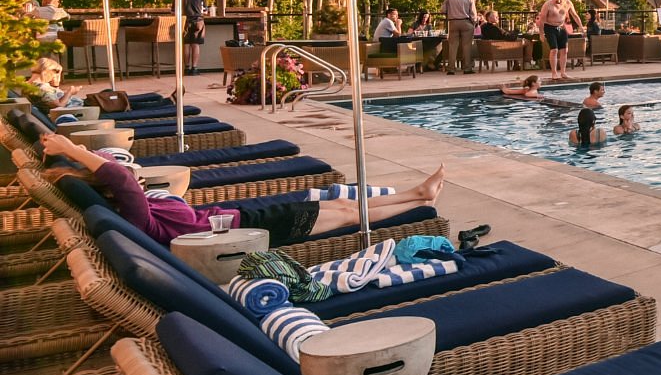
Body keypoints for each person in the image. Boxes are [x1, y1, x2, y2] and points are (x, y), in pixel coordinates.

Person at [39, 132, 446, 247]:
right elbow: (122, 179)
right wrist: (71, 149)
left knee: (341, 201)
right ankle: (417, 199)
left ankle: (415, 194)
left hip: (238, 222)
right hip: (242, 234)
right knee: (344, 213)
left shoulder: (140, 212)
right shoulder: (136, 218)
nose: (131, 173)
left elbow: (128, 181)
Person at [536, 0, 582, 80]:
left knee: (564, 50)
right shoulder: (548, 4)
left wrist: (581, 26)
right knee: (554, 50)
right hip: (550, 28)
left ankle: (563, 72)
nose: (559, 1)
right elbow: (542, 20)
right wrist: (541, 33)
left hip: (561, 27)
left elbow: (575, 15)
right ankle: (554, 73)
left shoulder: (568, 3)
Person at [442, 0, 477, 74]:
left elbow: (443, 10)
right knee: (467, 46)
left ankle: (451, 69)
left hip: (453, 22)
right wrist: (473, 22)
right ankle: (467, 68)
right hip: (466, 22)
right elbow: (473, 13)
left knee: (452, 46)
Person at [180, 0, 207, 68]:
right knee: (195, 45)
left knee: (186, 44)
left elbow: (173, 12)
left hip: (185, 22)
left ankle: (187, 67)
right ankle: (194, 67)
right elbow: (205, 11)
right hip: (198, 21)